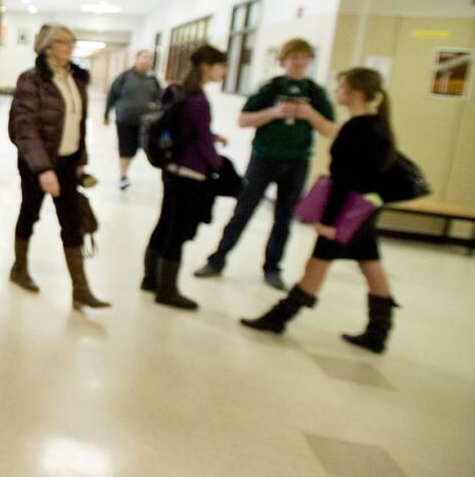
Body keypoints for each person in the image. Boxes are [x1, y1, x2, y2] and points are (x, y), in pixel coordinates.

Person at [240, 68, 400, 353]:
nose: (336, 90)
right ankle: (379, 330)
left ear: (355, 91)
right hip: (365, 209)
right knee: (369, 263)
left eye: (340, 85)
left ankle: (280, 317)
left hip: (346, 211)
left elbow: (344, 180)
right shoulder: (377, 125)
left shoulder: (355, 129)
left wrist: (328, 221)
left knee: (317, 265)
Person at [195, 39, 335, 290]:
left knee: (284, 218)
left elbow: (330, 129)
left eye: (303, 57)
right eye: (293, 57)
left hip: (297, 161)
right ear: (283, 61)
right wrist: (274, 112)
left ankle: (273, 267)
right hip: (264, 158)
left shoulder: (314, 92)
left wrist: (309, 114)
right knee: (243, 211)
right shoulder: (270, 88)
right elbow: (243, 120)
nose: (298, 62)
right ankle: (217, 259)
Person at [7, 24, 110, 309]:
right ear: (46, 47)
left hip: (67, 163)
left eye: (72, 42)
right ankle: (19, 268)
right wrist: (43, 169)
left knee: (72, 222)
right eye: (63, 42)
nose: (69, 47)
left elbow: (78, 125)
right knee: (30, 212)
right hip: (36, 163)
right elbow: (25, 127)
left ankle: (81, 288)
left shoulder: (75, 80)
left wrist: (80, 162)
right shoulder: (31, 80)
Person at [140, 45, 229, 310]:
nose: (223, 71)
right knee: (177, 231)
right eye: (221, 65)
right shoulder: (199, 100)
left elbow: (189, 130)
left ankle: (150, 280)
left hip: (172, 169)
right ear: (207, 66)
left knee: (165, 222)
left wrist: (210, 138)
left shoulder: (180, 91)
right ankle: (167, 290)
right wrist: (219, 166)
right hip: (190, 173)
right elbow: (202, 142)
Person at [103, 49, 162, 190]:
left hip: (145, 123)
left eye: (149, 58)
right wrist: (106, 113)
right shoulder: (125, 77)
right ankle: (123, 175)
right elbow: (112, 94)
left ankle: (125, 171)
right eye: (144, 57)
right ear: (136, 58)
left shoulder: (153, 80)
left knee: (137, 149)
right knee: (126, 149)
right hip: (125, 120)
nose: (146, 60)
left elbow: (161, 99)